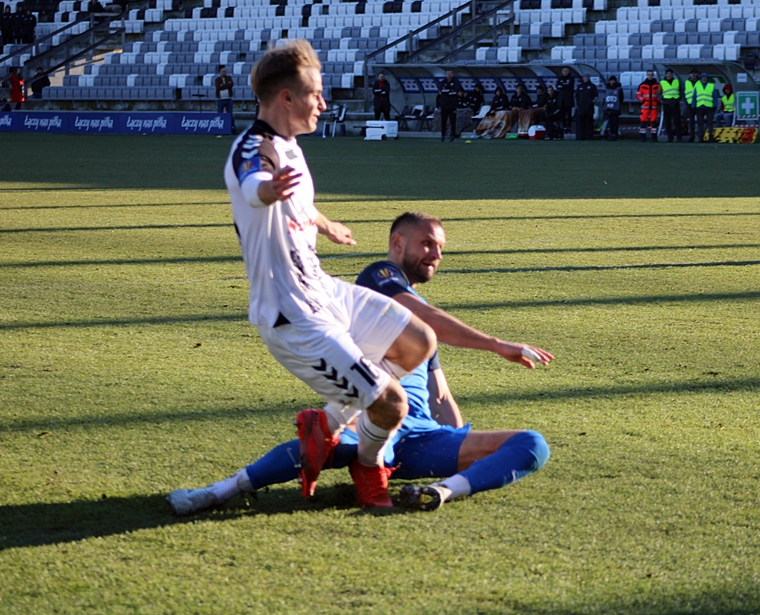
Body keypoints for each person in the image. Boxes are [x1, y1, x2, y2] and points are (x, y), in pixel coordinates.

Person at [167, 212, 553, 516]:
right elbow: (427, 319)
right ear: (397, 243)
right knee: (332, 446)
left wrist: (457, 445)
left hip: (422, 437)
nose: (436, 254)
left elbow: (440, 396)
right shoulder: (378, 279)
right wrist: (496, 345)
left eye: (440, 247)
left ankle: (439, 491)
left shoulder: (418, 333)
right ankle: (219, 491)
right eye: (427, 243)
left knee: (532, 444)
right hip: (374, 418)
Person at [222, 39, 444, 509]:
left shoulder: (291, 147)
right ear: (287, 97)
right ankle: (369, 467)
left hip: (321, 288)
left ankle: (326, 423)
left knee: (420, 341)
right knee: (392, 404)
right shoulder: (254, 146)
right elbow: (255, 184)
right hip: (291, 313)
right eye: (316, 94)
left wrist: (325, 224)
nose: (323, 104)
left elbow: (296, 201)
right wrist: (268, 190)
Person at [437, 69, 462, 142]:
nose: (449, 75)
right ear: (446, 74)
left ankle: (453, 136)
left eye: (450, 73)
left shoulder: (456, 82)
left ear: (452, 74)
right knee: (443, 121)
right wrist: (449, 91)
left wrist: (447, 92)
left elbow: (455, 91)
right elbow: (441, 92)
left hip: (452, 105)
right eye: (448, 73)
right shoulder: (442, 82)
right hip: (444, 105)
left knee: (453, 121)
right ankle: (443, 136)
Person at [658, 69, 682, 143]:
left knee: (677, 121)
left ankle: (679, 138)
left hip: (675, 103)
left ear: (672, 74)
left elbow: (681, 91)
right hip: (666, 104)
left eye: (670, 74)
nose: (669, 75)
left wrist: (678, 99)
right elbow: (659, 93)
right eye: (668, 74)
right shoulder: (662, 82)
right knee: (667, 122)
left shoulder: (677, 81)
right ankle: (669, 137)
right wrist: (663, 100)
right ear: (665, 75)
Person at [636, 70, 660, 142]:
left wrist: (657, 101)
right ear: (647, 75)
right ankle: (643, 137)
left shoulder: (657, 85)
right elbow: (638, 94)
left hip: (654, 107)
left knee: (654, 123)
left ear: (653, 75)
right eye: (649, 74)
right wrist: (643, 101)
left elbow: (660, 94)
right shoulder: (642, 85)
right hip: (645, 107)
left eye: (651, 75)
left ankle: (654, 138)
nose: (650, 76)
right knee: (643, 122)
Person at [692, 73, 716, 143]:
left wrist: (715, 105)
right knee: (700, 123)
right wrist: (693, 106)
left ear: (707, 79)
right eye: (703, 78)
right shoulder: (697, 86)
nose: (704, 79)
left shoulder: (711, 86)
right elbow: (694, 97)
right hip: (700, 107)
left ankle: (710, 137)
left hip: (709, 107)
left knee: (710, 123)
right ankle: (700, 137)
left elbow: (715, 96)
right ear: (701, 79)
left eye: (705, 78)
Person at [575, 74, 597, 140]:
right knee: (581, 123)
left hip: (589, 108)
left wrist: (591, 103)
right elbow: (576, 96)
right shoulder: (580, 86)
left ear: (588, 78)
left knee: (589, 123)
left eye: (586, 77)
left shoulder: (592, 86)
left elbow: (596, 96)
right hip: (581, 108)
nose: (585, 79)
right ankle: (581, 137)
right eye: (584, 77)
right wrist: (578, 103)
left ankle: (589, 137)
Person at [602, 76, 623, 140]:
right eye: (611, 80)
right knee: (610, 123)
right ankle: (611, 134)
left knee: (615, 122)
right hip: (609, 109)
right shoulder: (607, 88)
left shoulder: (619, 89)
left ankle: (614, 135)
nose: (612, 81)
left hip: (615, 109)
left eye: (613, 80)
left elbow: (621, 98)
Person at [556, 66, 575, 134]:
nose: (565, 72)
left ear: (568, 72)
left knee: (569, 114)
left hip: (568, 100)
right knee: (562, 115)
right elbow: (557, 86)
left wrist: (562, 86)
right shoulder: (560, 78)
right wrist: (564, 86)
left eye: (566, 71)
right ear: (562, 72)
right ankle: (564, 127)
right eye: (564, 71)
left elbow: (569, 86)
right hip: (561, 100)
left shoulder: (571, 78)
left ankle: (569, 127)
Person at [682, 69, 699, 142]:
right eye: (692, 73)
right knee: (691, 122)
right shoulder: (686, 82)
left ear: (697, 74)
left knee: (699, 121)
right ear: (689, 75)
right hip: (689, 104)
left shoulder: (699, 82)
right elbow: (683, 93)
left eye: (694, 73)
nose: (693, 75)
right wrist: (686, 103)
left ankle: (700, 136)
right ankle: (691, 136)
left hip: (698, 104)